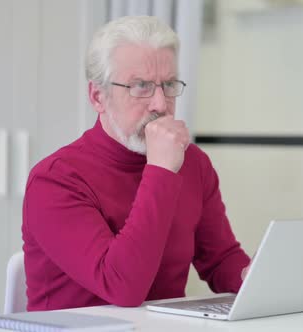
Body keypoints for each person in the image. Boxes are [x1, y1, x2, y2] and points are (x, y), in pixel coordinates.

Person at [22, 16, 251, 311]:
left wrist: (252, 276)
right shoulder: (55, 180)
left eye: (168, 85)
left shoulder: (193, 163)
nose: (160, 103)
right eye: (140, 86)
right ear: (97, 96)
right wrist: (161, 172)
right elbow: (122, 287)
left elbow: (220, 259)